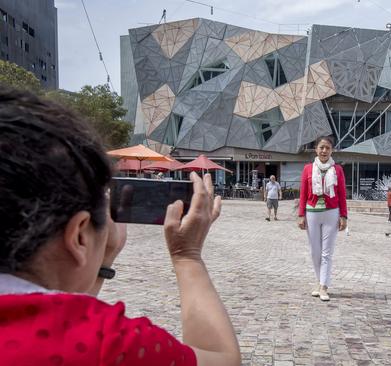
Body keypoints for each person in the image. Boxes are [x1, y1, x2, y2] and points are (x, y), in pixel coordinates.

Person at [0, 89, 240, 366]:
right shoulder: (109, 343)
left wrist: (100, 262)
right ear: (79, 235)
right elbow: (222, 359)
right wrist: (187, 255)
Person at [297, 136, 347, 301]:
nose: (324, 151)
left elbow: (342, 195)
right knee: (314, 252)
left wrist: (343, 216)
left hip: (332, 212)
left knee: (327, 253)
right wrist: (301, 215)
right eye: (321, 148)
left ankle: (324, 286)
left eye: (327, 148)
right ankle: (319, 282)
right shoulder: (307, 169)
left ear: (331, 150)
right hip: (312, 213)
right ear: (316, 150)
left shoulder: (337, 170)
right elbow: (303, 193)